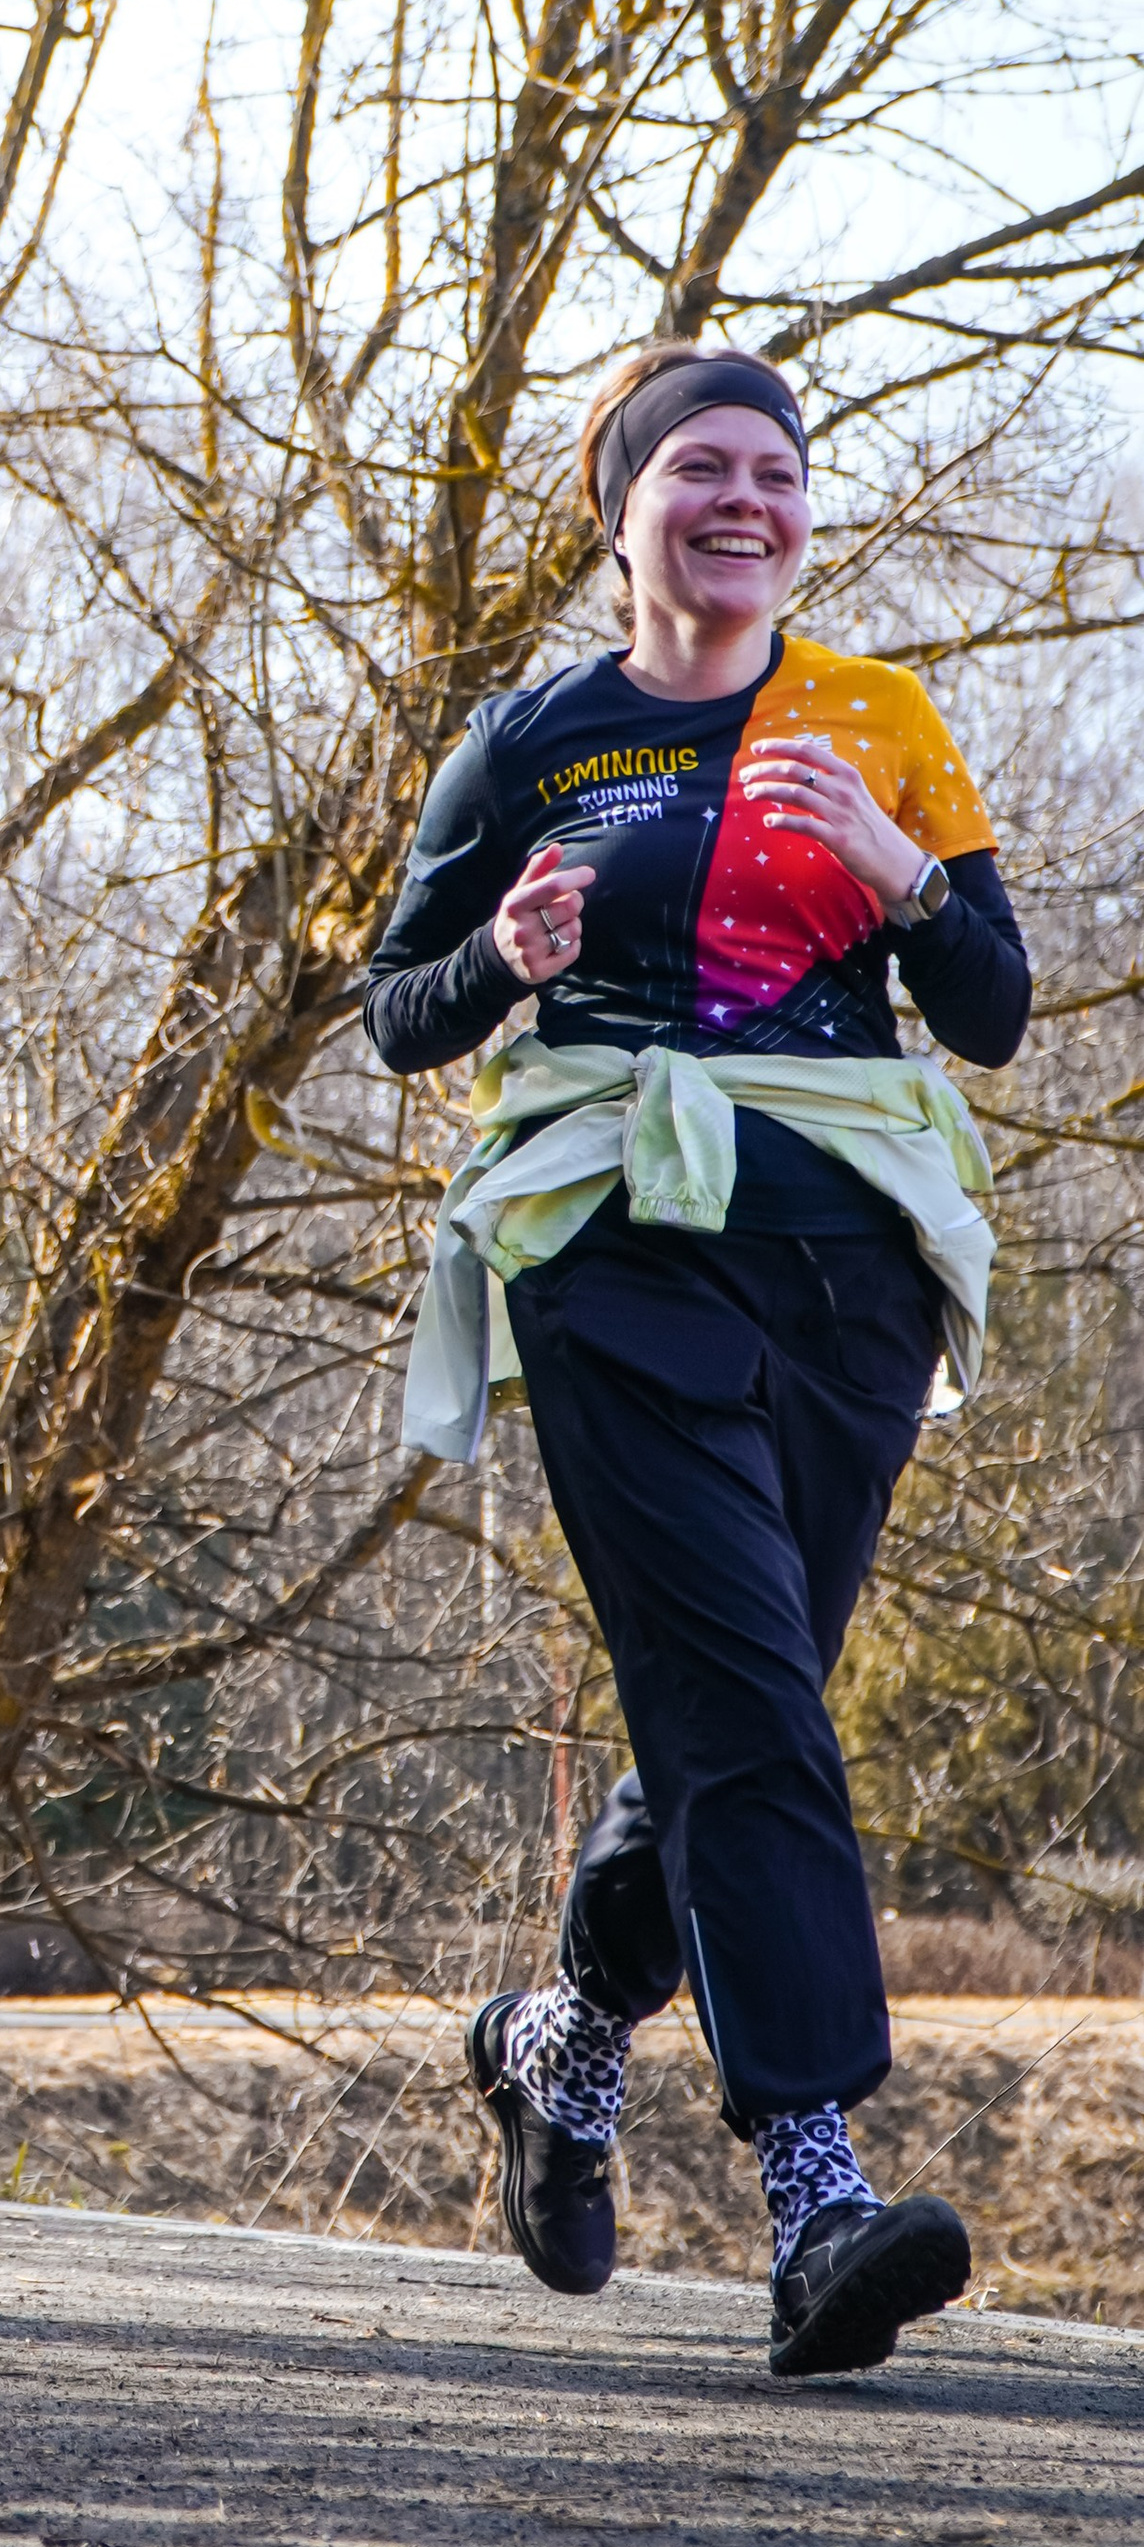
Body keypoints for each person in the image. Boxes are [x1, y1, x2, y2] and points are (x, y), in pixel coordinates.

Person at [366, 344, 1030, 2379]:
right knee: (741, 1692)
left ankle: (562, 2037)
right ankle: (814, 2187)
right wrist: (508, 961)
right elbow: (397, 1012)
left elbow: (986, 1008)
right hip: (611, 1243)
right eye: (699, 472)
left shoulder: (876, 719)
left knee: (743, 1695)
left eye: (776, 474)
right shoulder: (532, 737)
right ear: (620, 507)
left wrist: (900, 872)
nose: (743, 502)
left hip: (845, 1256)